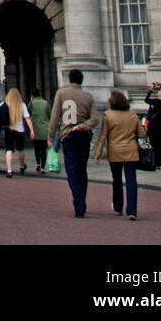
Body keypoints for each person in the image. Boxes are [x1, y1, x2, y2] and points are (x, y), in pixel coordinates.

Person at [48, 68, 100, 218]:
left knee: (72, 170)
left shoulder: (61, 94)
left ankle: (79, 201)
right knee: (82, 169)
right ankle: (81, 198)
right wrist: (84, 125)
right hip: (83, 135)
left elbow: (55, 116)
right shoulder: (88, 96)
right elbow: (95, 119)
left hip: (68, 135)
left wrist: (50, 137)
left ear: (69, 80)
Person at [94, 89, 143, 220]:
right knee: (131, 179)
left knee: (116, 179)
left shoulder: (108, 115)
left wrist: (97, 152)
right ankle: (132, 210)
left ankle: (118, 206)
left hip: (115, 151)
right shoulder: (132, 114)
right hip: (131, 150)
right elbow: (142, 133)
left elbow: (103, 135)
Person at [0, 86, 34, 176]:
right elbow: (27, 118)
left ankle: (9, 170)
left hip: (9, 129)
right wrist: (32, 130)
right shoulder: (22, 105)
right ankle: (21, 166)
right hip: (20, 130)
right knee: (20, 149)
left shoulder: (4, 104)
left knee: (9, 149)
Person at [144, 83, 161, 169]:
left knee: (153, 144)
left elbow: (146, 100)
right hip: (159, 124)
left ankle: (156, 161)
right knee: (159, 144)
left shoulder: (156, 102)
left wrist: (150, 90)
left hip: (153, 124)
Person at [29, 87, 51, 173]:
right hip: (44, 128)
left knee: (36, 148)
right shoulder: (45, 103)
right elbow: (50, 114)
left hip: (35, 128)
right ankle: (42, 167)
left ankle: (38, 163)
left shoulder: (31, 103)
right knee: (43, 149)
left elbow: (28, 112)